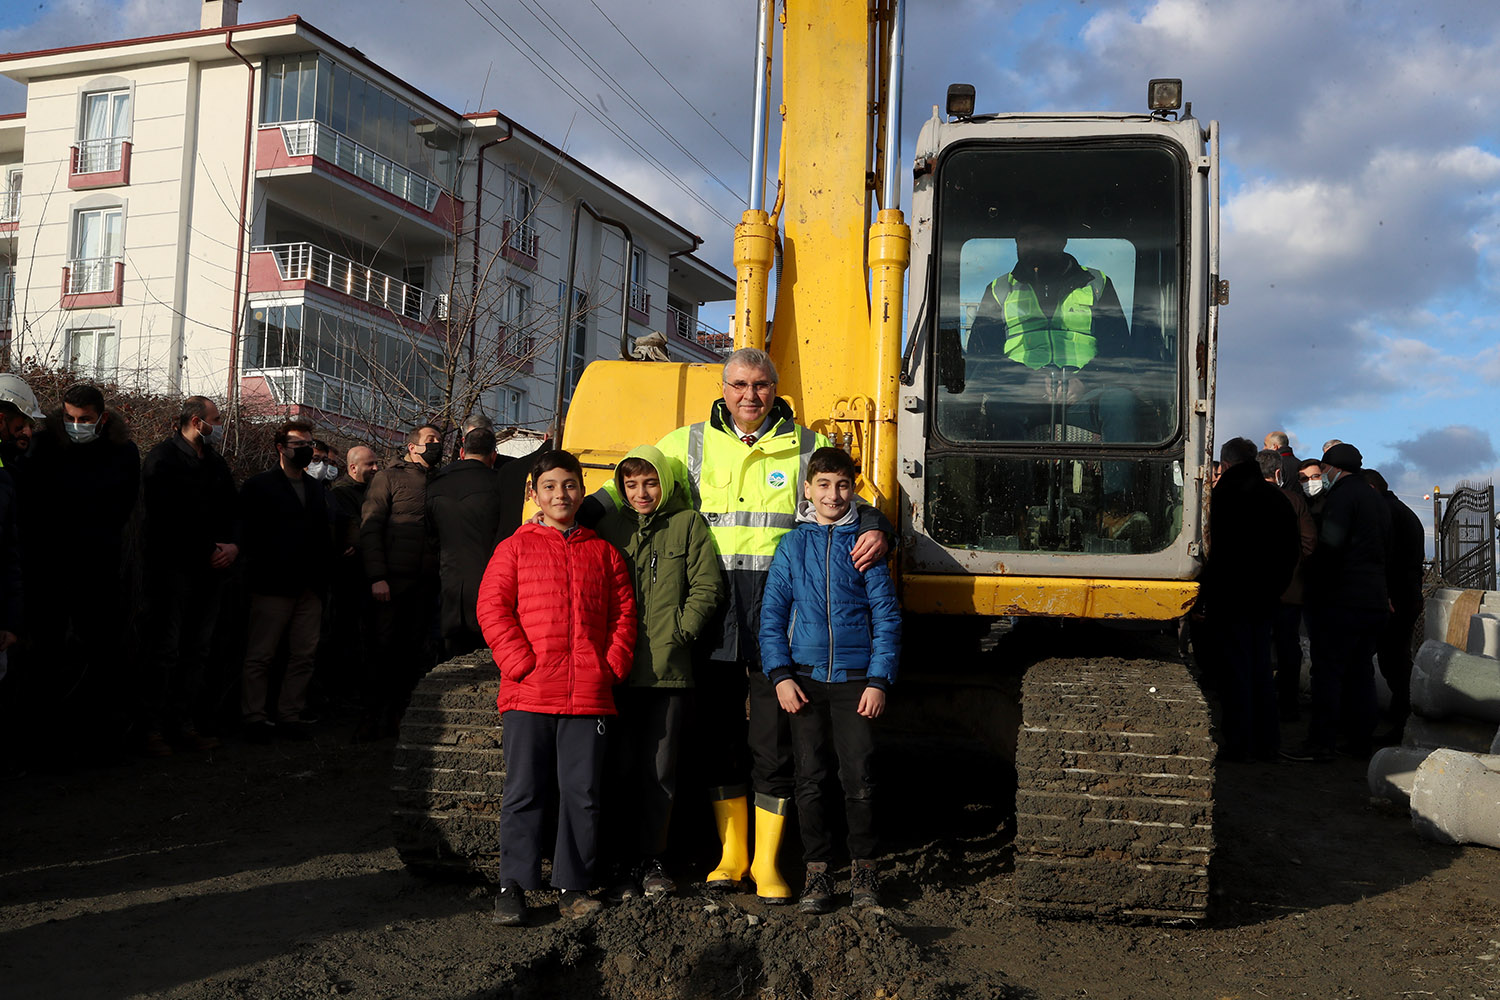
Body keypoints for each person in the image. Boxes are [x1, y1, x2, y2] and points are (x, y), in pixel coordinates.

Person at [578, 347, 891, 903]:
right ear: (723, 389)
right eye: (740, 384)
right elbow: (624, 486)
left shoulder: (808, 444)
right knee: (720, 738)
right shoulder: (688, 443)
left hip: (780, 611)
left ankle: (768, 863)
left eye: (761, 384)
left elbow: (847, 496)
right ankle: (731, 856)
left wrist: (876, 526)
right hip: (715, 607)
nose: (751, 395)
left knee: (773, 744)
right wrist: (564, 521)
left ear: (775, 388)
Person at [477, 450, 636, 926]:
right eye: (549, 486)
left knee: (582, 794)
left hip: (588, 694)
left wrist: (609, 668)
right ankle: (513, 886)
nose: (560, 494)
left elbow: (623, 616)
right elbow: (493, 609)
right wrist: (520, 665)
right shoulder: (514, 548)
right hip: (529, 692)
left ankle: (574, 885)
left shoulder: (603, 553)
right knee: (524, 791)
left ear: (582, 491)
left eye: (569, 485)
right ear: (534, 493)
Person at [759, 447, 901, 912]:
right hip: (804, 681)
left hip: (856, 682)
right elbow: (772, 616)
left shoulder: (866, 545)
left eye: (842, 485)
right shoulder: (791, 547)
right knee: (810, 778)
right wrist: (780, 676)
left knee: (859, 777)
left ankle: (864, 870)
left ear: (853, 489)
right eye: (823, 484)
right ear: (807, 489)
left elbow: (887, 616)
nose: (833, 494)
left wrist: (878, 680)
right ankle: (817, 871)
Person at [594, 445, 723, 898]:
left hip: (667, 670)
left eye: (650, 483)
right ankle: (616, 861)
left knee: (660, 772)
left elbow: (707, 585)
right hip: (616, 670)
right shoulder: (607, 527)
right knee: (616, 769)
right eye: (631, 485)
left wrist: (681, 632)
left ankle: (652, 860)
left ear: (665, 484)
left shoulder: (687, 524)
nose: (641, 493)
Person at [965, 216, 1157, 516]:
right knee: (999, 409)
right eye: (1022, 238)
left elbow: (1119, 349)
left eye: (1037, 236)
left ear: (1061, 241)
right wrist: (1024, 381)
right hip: (1023, 396)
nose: (1027, 244)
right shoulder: (999, 289)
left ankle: (1116, 512)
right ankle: (1016, 512)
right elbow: (981, 355)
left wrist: (1085, 381)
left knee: (1121, 402)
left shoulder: (1097, 284)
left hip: (1085, 395)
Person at [27, 382, 140, 759]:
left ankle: (98, 740)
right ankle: (46, 743)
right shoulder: (44, 446)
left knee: (102, 653)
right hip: (51, 568)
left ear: (101, 418)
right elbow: (33, 503)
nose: (76, 425)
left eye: (85, 419)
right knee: (47, 654)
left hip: (98, 566)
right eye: (70, 417)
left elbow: (123, 505)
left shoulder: (122, 451)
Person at [137, 396, 239, 755]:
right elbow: (163, 518)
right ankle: (151, 729)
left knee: (197, 651)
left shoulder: (214, 462)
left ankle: (183, 725)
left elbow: (232, 510)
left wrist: (233, 546)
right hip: (172, 572)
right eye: (216, 419)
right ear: (197, 421)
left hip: (210, 573)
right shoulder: (162, 459)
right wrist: (207, 549)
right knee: (165, 650)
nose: (219, 425)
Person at [1283, 443, 1391, 762]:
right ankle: (1359, 741)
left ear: (1332, 468)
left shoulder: (1342, 497)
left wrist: (1311, 575)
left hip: (1342, 599)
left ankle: (1321, 742)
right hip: (1373, 597)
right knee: (1361, 672)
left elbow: (1331, 546)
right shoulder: (1375, 498)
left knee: (1328, 672)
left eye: (1324, 470)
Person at [239, 420, 334, 743]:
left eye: (309, 443)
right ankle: (254, 717)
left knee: (303, 654)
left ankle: (289, 715)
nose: (306, 449)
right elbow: (248, 533)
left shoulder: (316, 489)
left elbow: (323, 535)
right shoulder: (259, 486)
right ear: (281, 448)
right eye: (298, 444)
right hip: (272, 584)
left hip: (310, 586)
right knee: (261, 654)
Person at [1203, 439, 1298, 761]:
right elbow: (1292, 550)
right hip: (1265, 597)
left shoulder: (1219, 497)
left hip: (1229, 596)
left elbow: (1208, 549)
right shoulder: (1276, 498)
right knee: (1261, 669)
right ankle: (1267, 742)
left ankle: (1240, 743)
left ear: (1225, 465)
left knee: (1234, 672)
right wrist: (1276, 588)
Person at [359, 423, 443, 738]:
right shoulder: (388, 478)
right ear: (412, 446)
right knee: (382, 649)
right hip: (391, 582)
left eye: (439, 440)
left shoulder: (440, 480)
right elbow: (371, 528)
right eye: (430, 439)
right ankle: (371, 716)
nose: (436, 444)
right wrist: (377, 576)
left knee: (413, 651)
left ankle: (398, 716)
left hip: (426, 582)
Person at [426, 425, 509, 657]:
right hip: (491, 585)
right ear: (493, 455)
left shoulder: (436, 483)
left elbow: (430, 536)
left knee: (452, 657)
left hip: (449, 586)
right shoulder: (500, 484)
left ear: (462, 452)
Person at [1365, 469, 1425, 742]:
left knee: (1394, 661)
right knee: (1396, 658)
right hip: (1406, 595)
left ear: (1371, 488)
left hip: (1396, 598)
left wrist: (1384, 593)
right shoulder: (1401, 510)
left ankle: (1405, 719)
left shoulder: (1388, 512)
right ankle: (1401, 714)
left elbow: (1388, 557)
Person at [1258, 449, 1317, 721]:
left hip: (1254, 589)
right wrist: (1297, 568)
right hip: (1290, 589)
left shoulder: (1245, 498)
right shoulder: (1294, 500)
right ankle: (1288, 704)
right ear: (1279, 472)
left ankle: (1257, 700)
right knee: (1288, 646)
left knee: (1255, 644)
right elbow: (1309, 541)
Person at [325, 444, 379, 717]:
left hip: (366, 574)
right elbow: (356, 527)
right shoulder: (341, 494)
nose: (376, 468)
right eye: (370, 464)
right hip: (349, 578)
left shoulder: (373, 492)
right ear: (353, 467)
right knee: (346, 634)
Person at [1264, 431, 1300, 498]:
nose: (1264, 448)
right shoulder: (1300, 464)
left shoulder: (1272, 466)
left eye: (1265, 445)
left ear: (1275, 447)